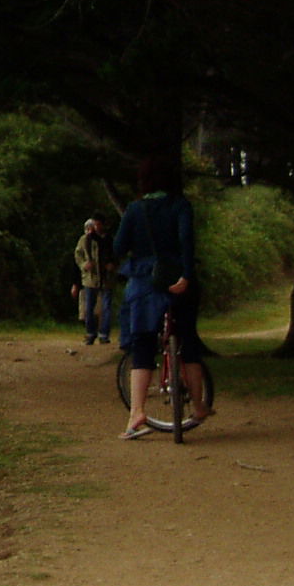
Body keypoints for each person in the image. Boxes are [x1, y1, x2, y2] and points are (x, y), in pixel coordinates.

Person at [111, 154, 209, 438]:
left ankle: (137, 412)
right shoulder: (180, 206)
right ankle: (199, 405)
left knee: (141, 346)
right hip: (177, 279)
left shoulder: (134, 209)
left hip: (143, 282)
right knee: (188, 341)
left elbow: (118, 247)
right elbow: (187, 241)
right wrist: (186, 275)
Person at [72, 216, 115, 345]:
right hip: (90, 279)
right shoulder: (85, 240)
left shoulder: (109, 239)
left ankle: (104, 334)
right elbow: (78, 255)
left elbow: (117, 254)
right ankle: (91, 333)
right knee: (89, 308)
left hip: (107, 279)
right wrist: (84, 264)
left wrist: (113, 265)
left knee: (106, 307)